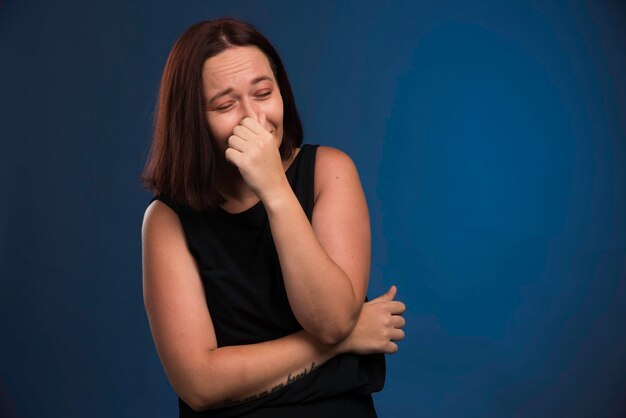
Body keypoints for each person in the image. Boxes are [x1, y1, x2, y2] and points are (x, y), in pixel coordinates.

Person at [141, 18, 406, 417]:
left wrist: (274, 190)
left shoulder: (328, 172)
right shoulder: (166, 219)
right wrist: (343, 343)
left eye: (264, 93)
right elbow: (200, 385)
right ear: (192, 120)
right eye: (225, 105)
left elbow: (331, 319)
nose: (254, 119)